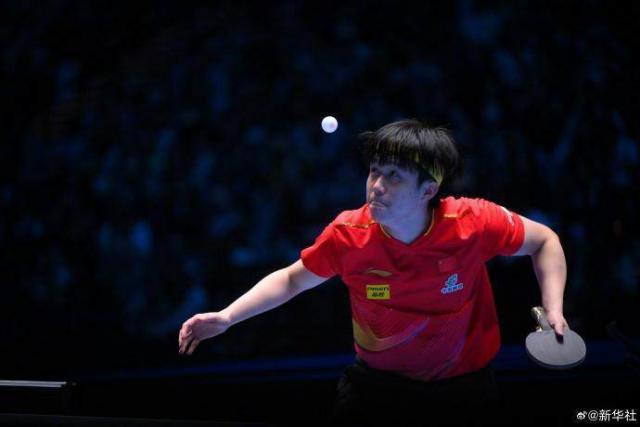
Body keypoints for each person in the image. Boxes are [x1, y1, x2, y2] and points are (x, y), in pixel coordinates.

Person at [178, 119, 569, 426]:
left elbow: (544, 240)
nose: (377, 186)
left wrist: (553, 309)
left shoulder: (473, 223)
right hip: (377, 390)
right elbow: (293, 278)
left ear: (428, 189)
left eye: (394, 176)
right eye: (374, 171)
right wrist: (228, 317)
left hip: (464, 391)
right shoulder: (349, 235)